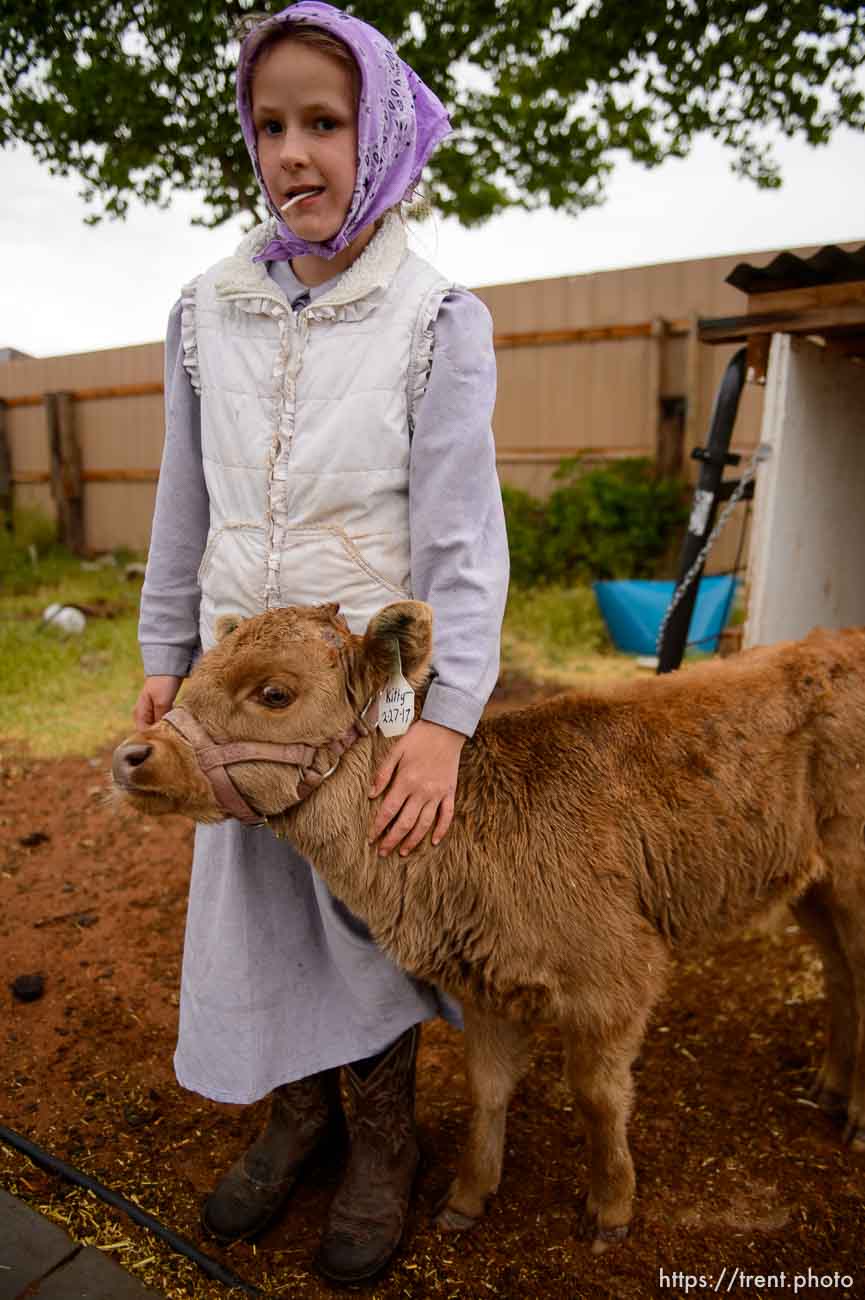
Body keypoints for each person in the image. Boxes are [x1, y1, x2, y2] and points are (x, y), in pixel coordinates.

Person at [134, 0, 509, 1285]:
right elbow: (183, 499)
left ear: (385, 135)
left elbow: (463, 539)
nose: (294, 150)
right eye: (270, 123)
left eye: (326, 123)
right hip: (239, 681)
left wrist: (447, 718)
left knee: (366, 914)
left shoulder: (435, 318)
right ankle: (295, 1118)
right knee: (250, 916)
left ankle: (384, 1146)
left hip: (363, 695)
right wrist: (162, 654)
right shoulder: (207, 310)